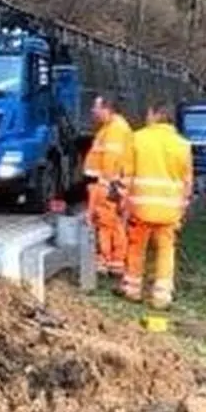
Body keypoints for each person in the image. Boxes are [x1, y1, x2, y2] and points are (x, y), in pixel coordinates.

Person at [122, 100, 193, 309]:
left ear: (154, 114)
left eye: (148, 113)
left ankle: (132, 289)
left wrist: (124, 204)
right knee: (166, 250)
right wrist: (183, 207)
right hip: (170, 210)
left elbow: (127, 175)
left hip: (141, 207)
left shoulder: (137, 139)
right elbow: (187, 182)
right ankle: (162, 296)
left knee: (136, 248)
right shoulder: (183, 145)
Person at [83, 95, 134, 276]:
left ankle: (109, 260)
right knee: (110, 223)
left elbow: (111, 159)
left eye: (96, 107)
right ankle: (112, 261)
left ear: (107, 109)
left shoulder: (115, 129)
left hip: (108, 185)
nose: (93, 111)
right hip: (108, 184)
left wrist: (105, 184)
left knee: (108, 223)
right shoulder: (111, 127)